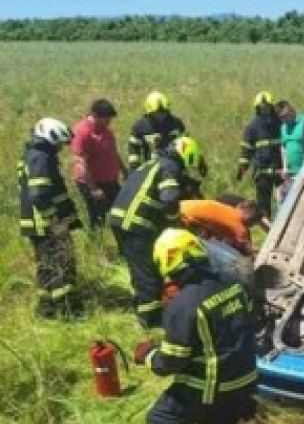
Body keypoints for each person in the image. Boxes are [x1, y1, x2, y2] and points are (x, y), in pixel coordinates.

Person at [134, 228, 257, 424]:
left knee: (162, 421)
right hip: (246, 377)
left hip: (215, 387)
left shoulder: (184, 305)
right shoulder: (231, 285)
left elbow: (169, 363)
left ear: (167, 265)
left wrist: (149, 355)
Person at [109, 137, 205, 328]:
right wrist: (175, 225)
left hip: (120, 221)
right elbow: (169, 199)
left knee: (139, 269)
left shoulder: (153, 163)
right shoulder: (170, 167)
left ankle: (142, 308)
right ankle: (150, 320)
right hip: (136, 224)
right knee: (148, 273)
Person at [18, 118, 84, 318]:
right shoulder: (41, 158)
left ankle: (47, 309)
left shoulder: (32, 154)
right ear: (50, 139)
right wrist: (55, 220)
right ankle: (67, 309)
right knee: (61, 264)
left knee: (46, 267)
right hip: (47, 223)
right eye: (58, 144)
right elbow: (39, 194)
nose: (60, 148)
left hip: (38, 224)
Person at [70, 98, 128, 228]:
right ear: (95, 116)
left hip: (110, 181)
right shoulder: (82, 132)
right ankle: (96, 239)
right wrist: (94, 188)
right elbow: (81, 163)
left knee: (122, 209)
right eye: (106, 120)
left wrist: (124, 171)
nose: (109, 123)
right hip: (92, 182)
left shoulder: (106, 131)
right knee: (98, 217)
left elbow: (114, 152)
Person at [236, 91, 282, 219]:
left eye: (267, 107)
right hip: (262, 172)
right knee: (263, 205)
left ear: (271, 107)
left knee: (285, 200)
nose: (264, 110)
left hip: (280, 171)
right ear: (257, 109)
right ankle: (267, 227)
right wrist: (242, 167)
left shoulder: (280, 123)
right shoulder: (252, 127)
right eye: (261, 108)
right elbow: (246, 149)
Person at [180, 197, 267, 256]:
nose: (250, 227)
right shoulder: (239, 226)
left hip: (181, 207)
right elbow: (246, 250)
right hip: (183, 219)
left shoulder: (228, 210)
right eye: (253, 224)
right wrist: (255, 253)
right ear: (251, 220)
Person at [127, 91, 187, 171]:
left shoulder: (176, 124)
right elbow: (133, 149)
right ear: (149, 112)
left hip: (175, 168)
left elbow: (186, 145)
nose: (161, 116)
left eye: (163, 112)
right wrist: (134, 169)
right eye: (157, 113)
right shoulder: (140, 127)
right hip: (151, 169)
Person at [277, 100, 304, 201]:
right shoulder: (283, 128)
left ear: (292, 111)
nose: (284, 120)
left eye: (286, 116)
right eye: (281, 118)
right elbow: (284, 148)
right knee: (282, 196)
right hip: (290, 174)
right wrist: (285, 168)